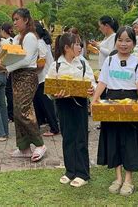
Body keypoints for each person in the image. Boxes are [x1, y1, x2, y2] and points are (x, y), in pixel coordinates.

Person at [92, 26, 138, 197]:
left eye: (128, 40)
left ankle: (128, 180)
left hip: (130, 104)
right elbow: (102, 82)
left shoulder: (137, 61)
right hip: (111, 103)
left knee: (129, 141)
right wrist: (95, 99)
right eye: (120, 40)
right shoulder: (110, 60)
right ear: (116, 41)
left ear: (133, 43)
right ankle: (117, 178)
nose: (123, 44)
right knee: (114, 139)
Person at [0, 8, 47, 162]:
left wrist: (5, 68)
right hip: (16, 76)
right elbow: (6, 49)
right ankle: (24, 148)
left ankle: (40, 144)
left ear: (26, 20)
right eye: (14, 19)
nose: (15, 22)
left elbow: (26, 60)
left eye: (17, 19)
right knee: (17, 111)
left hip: (27, 76)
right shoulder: (17, 37)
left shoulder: (30, 37)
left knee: (23, 111)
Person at [47, 32, 96, 187]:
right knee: (68, 137)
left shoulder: (82, 63)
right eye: (76, 44)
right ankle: (70, 171)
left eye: (80, 44)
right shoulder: (56, 65)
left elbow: (92, 82)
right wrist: (55, 93)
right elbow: (49, 88)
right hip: (63, 104)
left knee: (81, 138)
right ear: (66, 47)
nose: (80, 47)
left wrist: (91, 90)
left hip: (80, 104)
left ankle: (83, 173)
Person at [33, 22, 59, 136]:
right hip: (43, 77)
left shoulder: (39, 43)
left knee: (47, 104)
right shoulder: (43, 42)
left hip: (44, 77)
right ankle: (40, 123)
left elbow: (41, 62)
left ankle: (54, 128)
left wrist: (33, 71)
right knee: (39, 102)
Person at [1, 22, 15, 122]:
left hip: (7, 68)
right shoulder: (14, 40)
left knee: (9, 93)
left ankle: (11, 115)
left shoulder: (5, 42)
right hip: (12, 68)